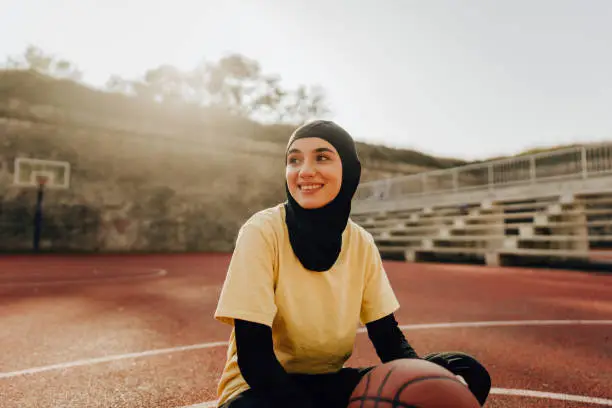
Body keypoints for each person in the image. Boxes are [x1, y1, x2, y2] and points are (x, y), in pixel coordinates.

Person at [214, 120, 491, 408]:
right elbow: (254, 358)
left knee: (464, 376)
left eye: (321, 157)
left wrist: (426, 375)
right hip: (259, 389)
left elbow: (387, 338)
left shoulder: (360, 242)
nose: (305, 170)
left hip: (325, 382)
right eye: (294, 160)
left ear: (348, 170)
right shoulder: (261, 231)